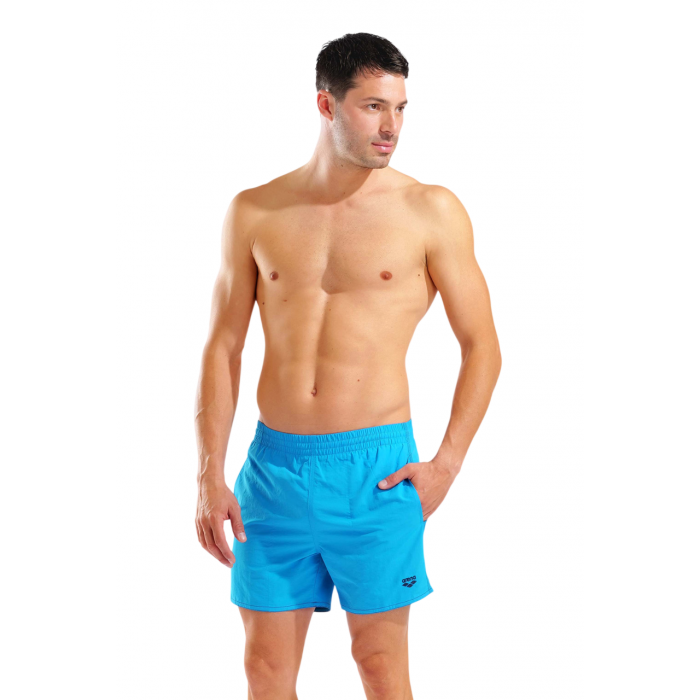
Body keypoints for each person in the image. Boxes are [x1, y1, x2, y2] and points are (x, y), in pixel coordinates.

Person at [195, 31, 502, 699]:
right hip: (273, 472)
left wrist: (447, 463)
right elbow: (223, 346)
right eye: (372, 106)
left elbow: (482, 344)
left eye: (400, 108)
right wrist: (208, 473)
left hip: (377, 473)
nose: (391, 126)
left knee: (379, 664)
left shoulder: (431, 211)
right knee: (265, 670)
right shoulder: (256, 210)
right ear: (326, 104)